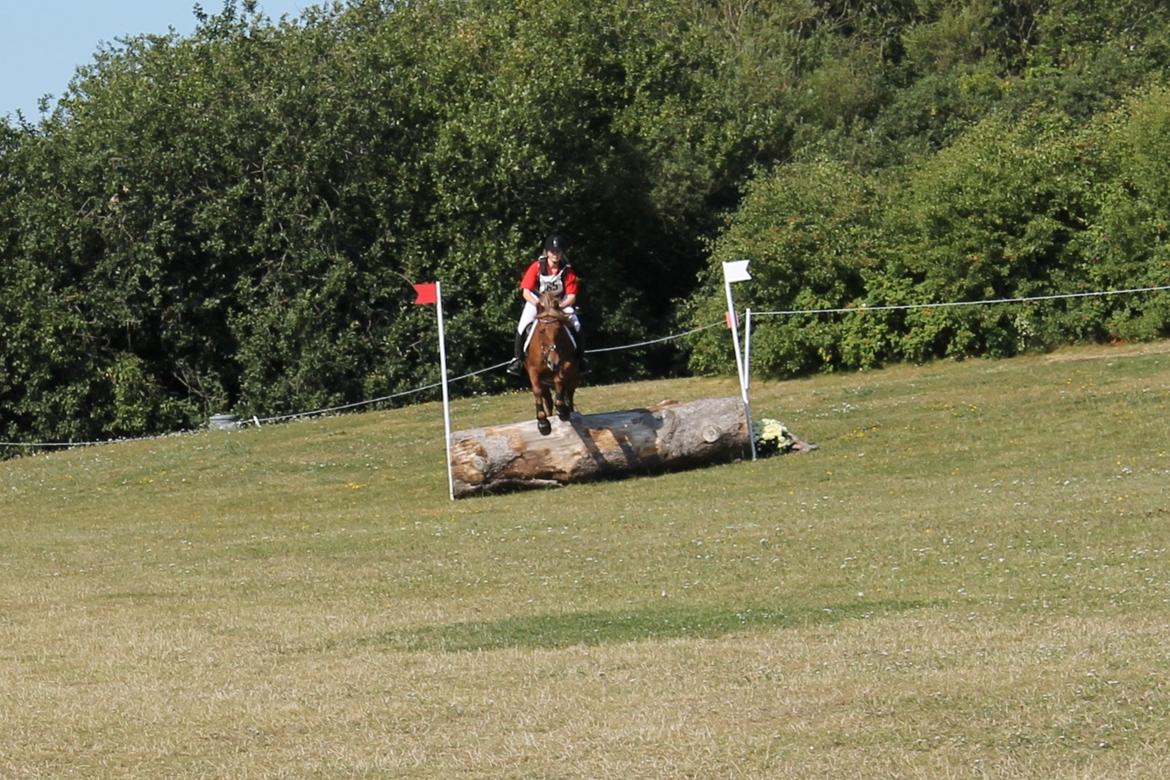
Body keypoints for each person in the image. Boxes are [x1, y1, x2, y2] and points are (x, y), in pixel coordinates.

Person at [507, 234, 586, 374]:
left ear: (562, 253)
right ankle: (517, 360)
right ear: (547, 252)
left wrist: (560, 306)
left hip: (559, 303)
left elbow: (572, 297)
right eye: (553, 252)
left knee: (576, 324)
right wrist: (537, 303)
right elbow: (525, 291)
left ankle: (581, 360)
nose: (555, 255)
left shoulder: (567, 270)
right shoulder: (537, 267)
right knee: (522, 325)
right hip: (537, 302)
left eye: (558, 252)